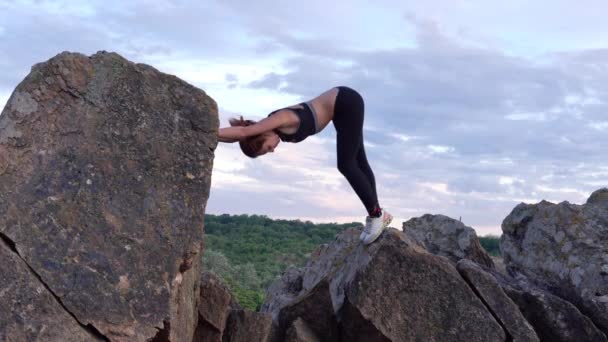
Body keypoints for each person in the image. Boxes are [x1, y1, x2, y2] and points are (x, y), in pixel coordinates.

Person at [218, 86, 392, 244]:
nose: (272, 150)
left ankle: (376, 213)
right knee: (358, 161)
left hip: (345, 102)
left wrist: (208, 131)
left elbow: (243, 132)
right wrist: (214, 137)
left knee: (346, 164)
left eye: (267, 148)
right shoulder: (272, 129)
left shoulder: (279, 119)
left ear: (263, 135)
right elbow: (240, 136)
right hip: (341, 106)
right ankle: (377, 213)